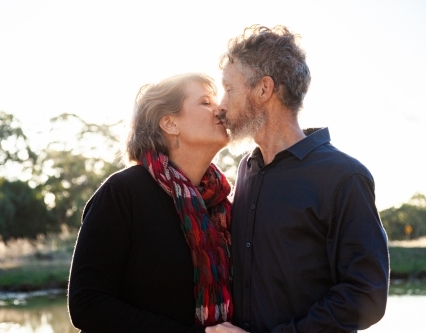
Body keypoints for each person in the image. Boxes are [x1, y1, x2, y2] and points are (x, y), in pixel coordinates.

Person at [206, 25, 389, 333]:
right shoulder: (246, 169)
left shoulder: (345, 177)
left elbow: (366, 295)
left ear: (264, 89)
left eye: (229, 88)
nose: (221, 104)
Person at [68, 73, 234, 333]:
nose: (221, 109)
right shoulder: (122, 193)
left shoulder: (221, 203)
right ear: (170, 123)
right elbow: (87, 304)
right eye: (205, 102)